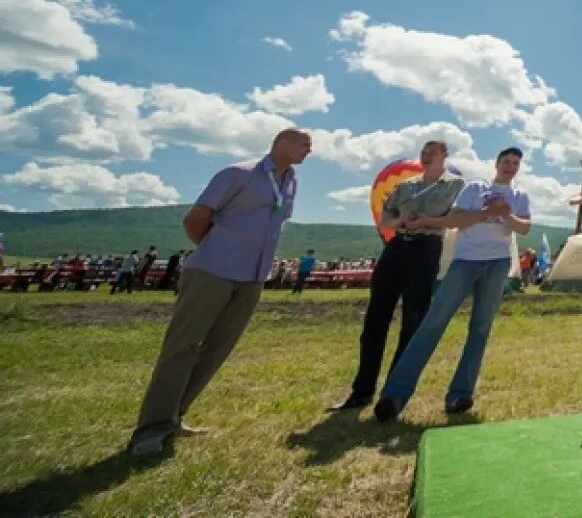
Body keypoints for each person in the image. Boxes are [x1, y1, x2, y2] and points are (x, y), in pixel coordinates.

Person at [128, 128, 311, 455]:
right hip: (213, 270)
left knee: (217, 348)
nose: (309, 150)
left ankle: (175, 415)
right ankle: (150, 430)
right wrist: (219, 249)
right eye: (304, 143)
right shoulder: (238, 174)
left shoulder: (292, 182)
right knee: (182, 346)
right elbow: (196, 219)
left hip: (253, 278)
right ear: (281, 143)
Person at [375, 148, 532, 421]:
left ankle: (460, 394)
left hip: (497, 263)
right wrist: (487, 211)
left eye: (515, 163)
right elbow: (456, 221)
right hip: (466, 260)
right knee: (434, 322)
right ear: (496, 164)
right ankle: (395, 394)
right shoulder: (475, 188)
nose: (510, 166)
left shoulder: (519, 196)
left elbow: (524, 227)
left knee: (480, 328)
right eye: (506, 161)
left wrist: (506, 214)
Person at [330, 140, 464, 411]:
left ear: (444, 157)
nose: (426, 157)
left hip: (426, 247)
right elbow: (385, 220)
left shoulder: (455, 186)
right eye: (423, 153)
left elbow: (455, 219)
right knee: (375, 320)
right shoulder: (405, 186)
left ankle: (394, 392)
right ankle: (361, 391)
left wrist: (426, 221)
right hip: (397, 246)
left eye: (432, 153)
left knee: (413, 321)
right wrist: (401, 220)